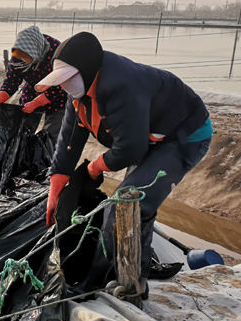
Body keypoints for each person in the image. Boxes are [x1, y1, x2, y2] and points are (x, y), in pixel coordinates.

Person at [40, 32, 212, 296]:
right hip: (147, 136)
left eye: (69, 78)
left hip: (182, 137)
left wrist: (95, 167)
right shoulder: (78, 92)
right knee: (134, 203)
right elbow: (68, 141)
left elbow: (130, 148)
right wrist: (55, 189)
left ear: (87, 69)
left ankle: (96, 282)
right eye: (60, 80)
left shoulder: (122, 85)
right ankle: (136, 272)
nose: (65, 85)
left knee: (125, 203)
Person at [0, 25, 66, 146]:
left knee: (52, 136)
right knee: (22, 131)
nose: (23, 61)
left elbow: (61, 83)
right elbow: (12, 79)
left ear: (34, 52)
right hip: (32, 90)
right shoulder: (18, 54)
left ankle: (46, 156)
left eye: (26, 58)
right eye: (21, 58)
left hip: (59, 94)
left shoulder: (58, 53)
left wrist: (37, 103)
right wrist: (1, 96)